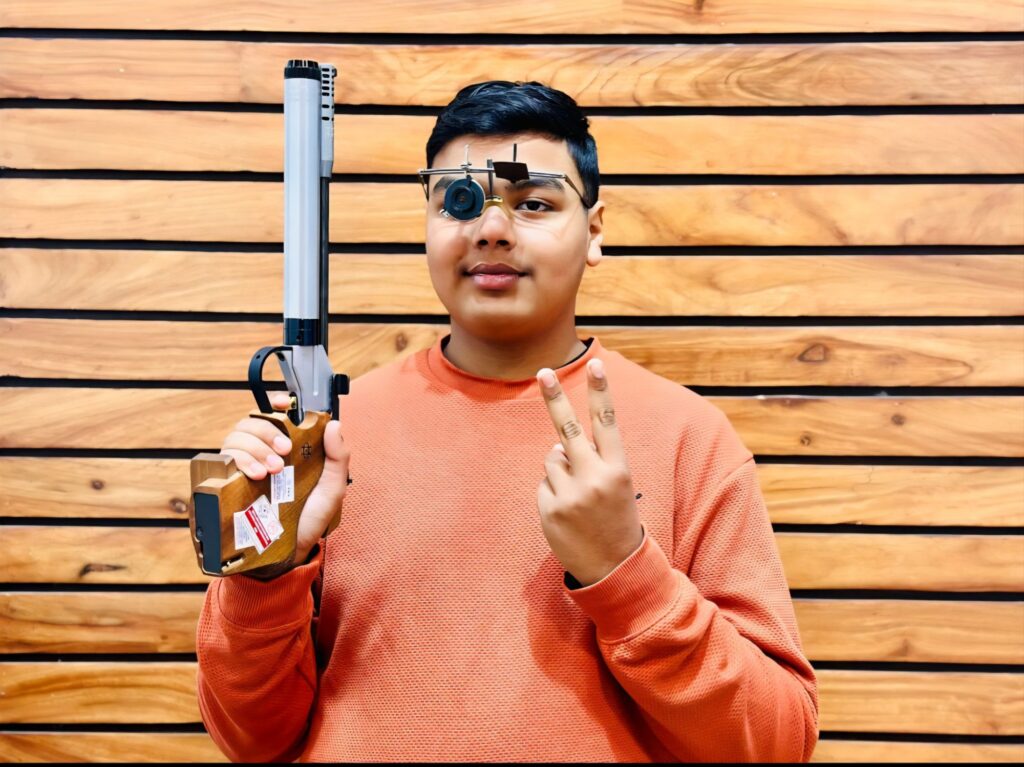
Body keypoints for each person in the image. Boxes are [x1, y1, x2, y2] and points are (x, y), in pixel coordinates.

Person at [195, 80, 819, 762]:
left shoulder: (688, 439)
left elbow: (776, 743)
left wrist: (627, 572)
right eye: (459, 200)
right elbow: (252, 738)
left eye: (534, 203)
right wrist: (265, 573)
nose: (491, 229)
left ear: (595, 230)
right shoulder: (327, 440)